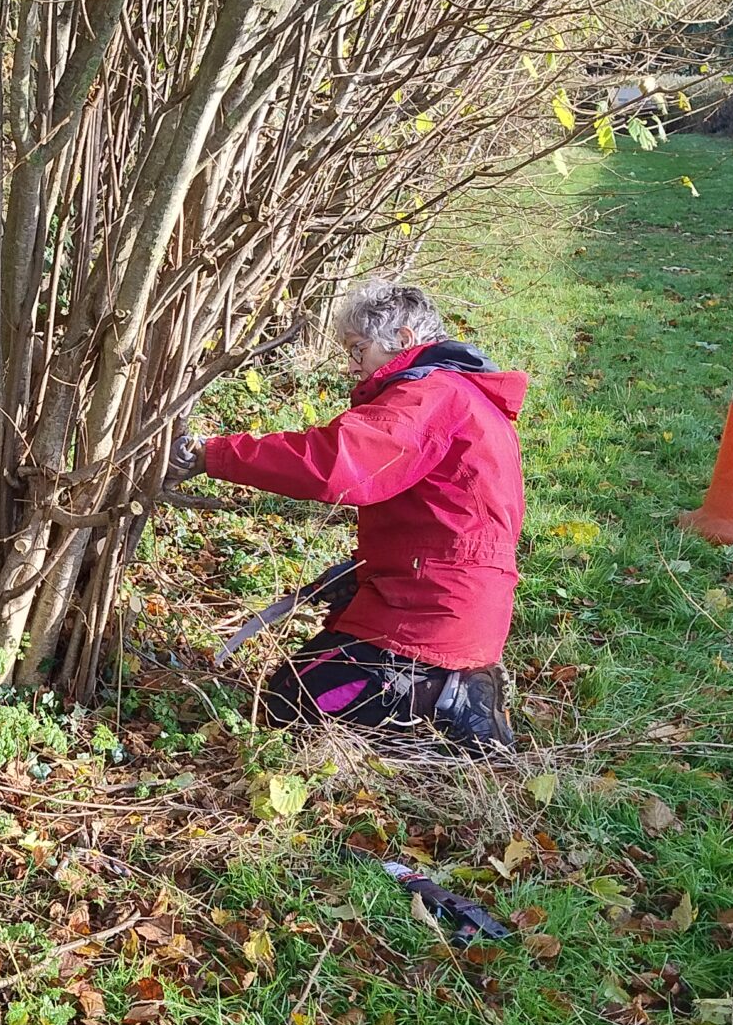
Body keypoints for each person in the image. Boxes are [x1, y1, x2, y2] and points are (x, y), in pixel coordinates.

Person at [173, 280, 526, 751]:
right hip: (439, 592)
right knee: (291, 696)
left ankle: (445, 697)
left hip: (434, 608)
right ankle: (448, 685)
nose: (351, 364)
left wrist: (214, 456)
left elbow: (340, 463)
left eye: (358, 348)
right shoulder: (458, 393)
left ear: (401, 339)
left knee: (291, 706)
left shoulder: (429, 396)